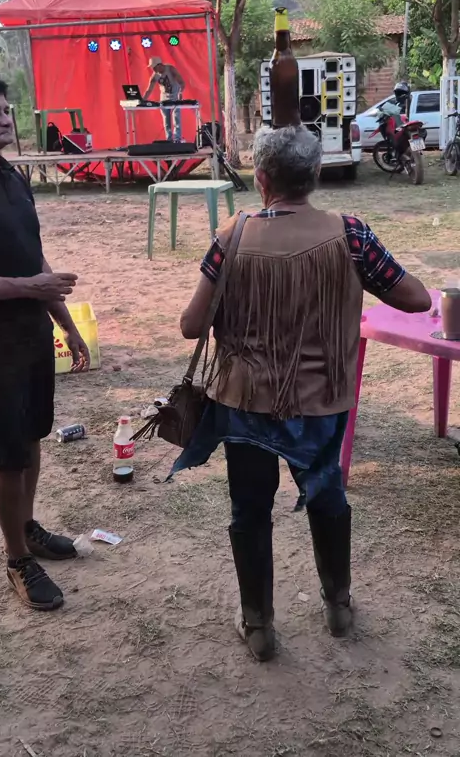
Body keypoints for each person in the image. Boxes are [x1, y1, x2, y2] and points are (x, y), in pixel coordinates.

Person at [176, 125, 431, 662]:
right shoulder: (351, 234)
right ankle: (338, 605)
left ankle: (259, 627)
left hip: (244, 401)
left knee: (249, 509)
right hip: (320, 400)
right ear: (314, 176)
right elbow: (416, 298)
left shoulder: (233, 236)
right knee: (326, 495)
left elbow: (191, 325)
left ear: (261, 179)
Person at [0, 71, 90, 611]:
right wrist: (30, 288)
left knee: (33, 438)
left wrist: (64, 321)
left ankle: (27, 528)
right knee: (9, 454)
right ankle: (16, 559)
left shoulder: (13, 176)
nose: (7, 119)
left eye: (8, 110)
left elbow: (34, 256)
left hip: (33, 334)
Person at [143, 56, 185, 143]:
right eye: (152, 68)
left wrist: (180, 92)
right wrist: (142, 100)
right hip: (164, 97)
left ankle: (177, 139)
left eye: (154, 67)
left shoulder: (171, 69)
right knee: (166, 119)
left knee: (176, 117)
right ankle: (169, 139)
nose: (153, 70)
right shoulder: (155, 76)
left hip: (175, 96)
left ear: (159, 65)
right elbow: (149, 90)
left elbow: (181, 82)